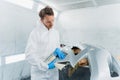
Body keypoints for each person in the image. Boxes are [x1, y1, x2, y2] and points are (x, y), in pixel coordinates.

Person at [25, 6, 66, 80]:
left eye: (53, 20)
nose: (52, 24)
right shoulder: (35, 33)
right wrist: (46, 66)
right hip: (39, 73)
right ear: (41, 20)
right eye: (48, 22)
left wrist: (59, 50)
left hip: (53, 72)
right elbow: (29, 55)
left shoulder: (55, 33)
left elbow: (57, 47)